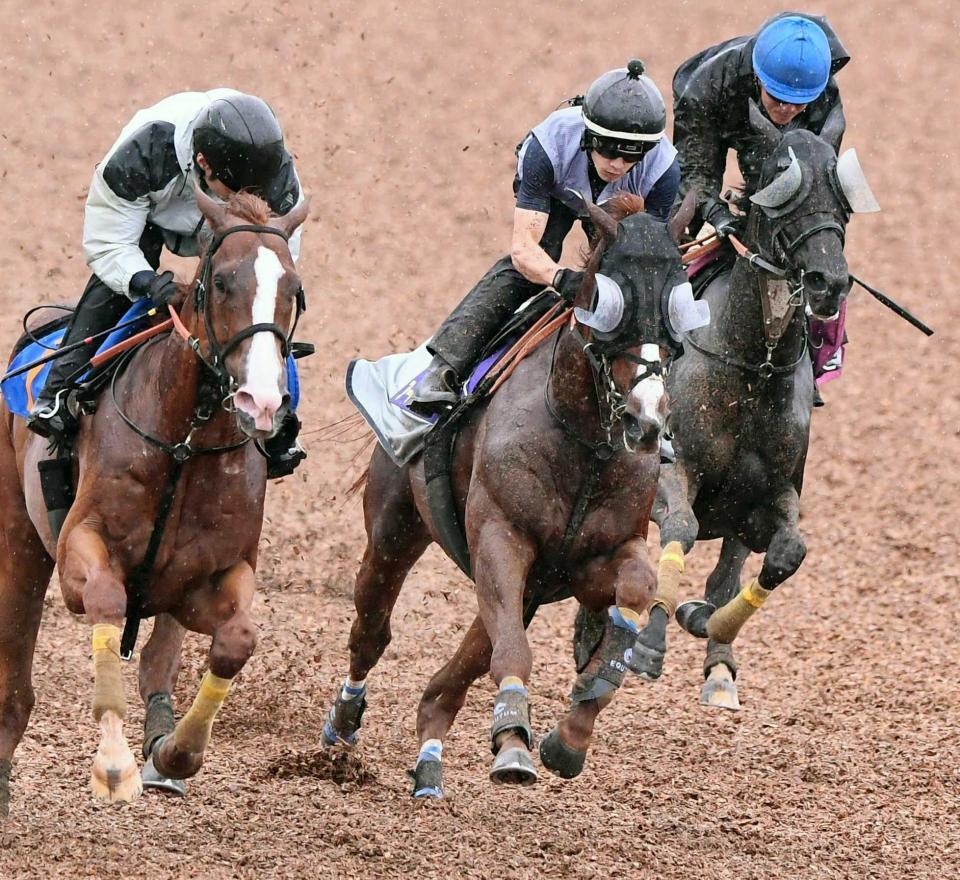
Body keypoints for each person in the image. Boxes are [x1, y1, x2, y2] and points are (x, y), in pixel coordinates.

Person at [27, 89, 307, 476]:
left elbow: (277, 259)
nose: (245, 196)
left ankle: (282, 428)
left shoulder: (275, 176)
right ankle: (58, 392)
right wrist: (145, 282)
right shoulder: (144, 152)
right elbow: (108, 240)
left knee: (255, 309)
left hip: (236, 235)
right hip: (147, 221)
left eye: (254, 190)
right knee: (114, 294)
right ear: (203, 163)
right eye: (236, 189)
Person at [411, 60, 681, 412]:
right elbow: (524, 249)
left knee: (638, 284)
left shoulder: (663, 172)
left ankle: (656, 397)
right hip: (557, 190)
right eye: (607, 148)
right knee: (536, 259)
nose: (616, 164)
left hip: (620, 207)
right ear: (588, 136)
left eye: (630, 155)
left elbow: (649, 266)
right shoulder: (548, 146)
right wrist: (561, 279)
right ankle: (444, 368)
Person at [672, 12, 849, 238]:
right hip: (718, 108)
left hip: (776, 131)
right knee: (690, 214)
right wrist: (714, 213)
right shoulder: (705, 88)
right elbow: (695, 168)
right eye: (779, 98)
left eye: (799, 103)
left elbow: (817, 183)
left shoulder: (821, 95)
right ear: (758, 78)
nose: (787, 109)